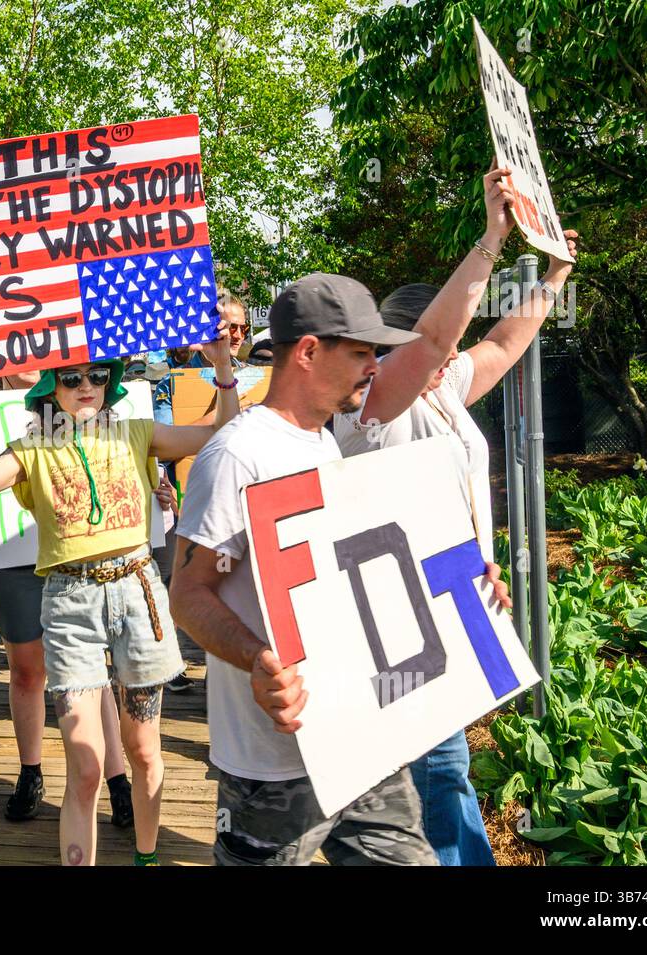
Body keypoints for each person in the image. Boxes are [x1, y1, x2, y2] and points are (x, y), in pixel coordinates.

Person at [169, 175, 519, 866]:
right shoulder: (236, 455)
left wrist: (457, 587)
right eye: (361, 351)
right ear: (307, 352)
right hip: (273, 762)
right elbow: (187, 593)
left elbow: (354, 564)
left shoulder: (328, 434)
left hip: (360, 733)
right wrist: (257, 658)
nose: (374, 365)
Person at [333, 186, 579, 866]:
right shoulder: (372, 406)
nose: (451, 355)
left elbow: (502, 343)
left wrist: (556, 274)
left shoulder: (441, 386)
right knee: (441, 768)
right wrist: (493, 235)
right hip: (398, 613)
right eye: (435, 345)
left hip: (453, 598)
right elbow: (444, 334)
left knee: (438, 767)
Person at [0, 326, 239, 867]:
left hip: (138, 591)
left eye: (98, 374)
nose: (86, 385)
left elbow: (224, 434)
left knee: (145, 752)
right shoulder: (30, 450)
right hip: (71, 599)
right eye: (70, 377)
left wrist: (222, 371)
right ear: (50, 386)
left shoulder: (138, 432)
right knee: (87, 758)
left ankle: (146, 857)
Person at [0, 370, 138, 826]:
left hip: (79, 560)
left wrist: (156, 495)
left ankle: (117, 779)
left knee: (95, 673)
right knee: (26, 671)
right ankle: (31, 773)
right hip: (11, 558)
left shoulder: (91, 406)